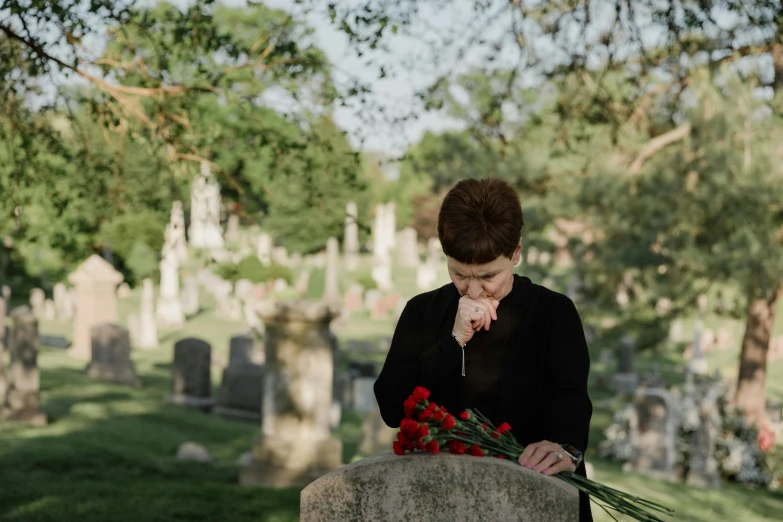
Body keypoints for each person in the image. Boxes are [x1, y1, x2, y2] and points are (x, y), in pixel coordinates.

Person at [374, 177, 593, 522]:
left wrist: (567, 448)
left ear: (517, 252)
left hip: (536, 493)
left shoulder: (553, 312)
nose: (473, 291)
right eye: (460, 274)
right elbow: (391, 407)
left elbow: (571, 396)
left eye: (488, 276)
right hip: (448, 499)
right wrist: (453, 340)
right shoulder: (422, 311)